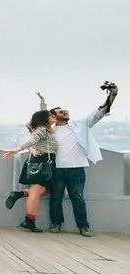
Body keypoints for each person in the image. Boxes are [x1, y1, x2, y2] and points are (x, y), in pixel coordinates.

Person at [47, 83, 118, 236]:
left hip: (77, 169)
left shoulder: (80, 125)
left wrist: (112, 95)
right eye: (61, 111)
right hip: (57, 169)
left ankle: (83, 226)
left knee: (78, 198)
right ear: (54, 116)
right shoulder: (50, 131)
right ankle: (56, 223)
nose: (65, 111)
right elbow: (36, 128)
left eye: (65, 110)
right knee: (55, 198)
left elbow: (99, 113)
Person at [2, 92, 57, 233]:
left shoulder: (46, 128)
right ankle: (29, 221)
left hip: (44, 160)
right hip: (43, 161)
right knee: (37, 192)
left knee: (43, 191)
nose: (53, 116)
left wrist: (43, 102)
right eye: (51, 116)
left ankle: (18, 195)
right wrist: (17, 150)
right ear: (45, 119)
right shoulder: (42, 129)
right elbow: (32, 140)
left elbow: (43, 114)